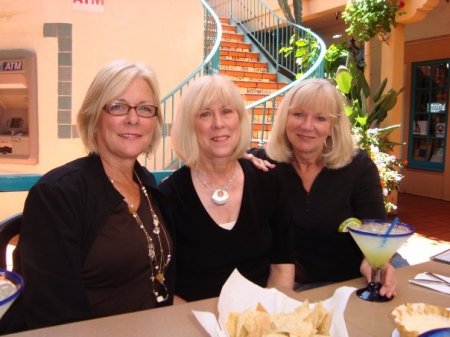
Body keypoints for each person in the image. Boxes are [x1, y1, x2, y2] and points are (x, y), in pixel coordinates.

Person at [0, 61, 174, 333]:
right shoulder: (57, 196)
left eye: (144, 108)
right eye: (118, 106)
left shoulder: (147, 184)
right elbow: (53, 315)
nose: (133, 118)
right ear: (94, 117)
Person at [250, 78, 397, 297]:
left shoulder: (359, 167)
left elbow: (376, 233)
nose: (307, 126)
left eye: (320, 118)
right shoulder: (263, 164)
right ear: (285, 118)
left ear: (333, 126)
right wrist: (237, 160)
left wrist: (374, 262)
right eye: (298, 114)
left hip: (351, 284)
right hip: (289, 287)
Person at [158, 74, 295, 302]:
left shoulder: (268, 182)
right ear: (189, 126)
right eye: (205, 114)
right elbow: (167, 286)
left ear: (239, 119)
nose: (218, 123)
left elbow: (282, 266)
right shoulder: (169, 197)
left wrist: (267, 320)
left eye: (227, 111)